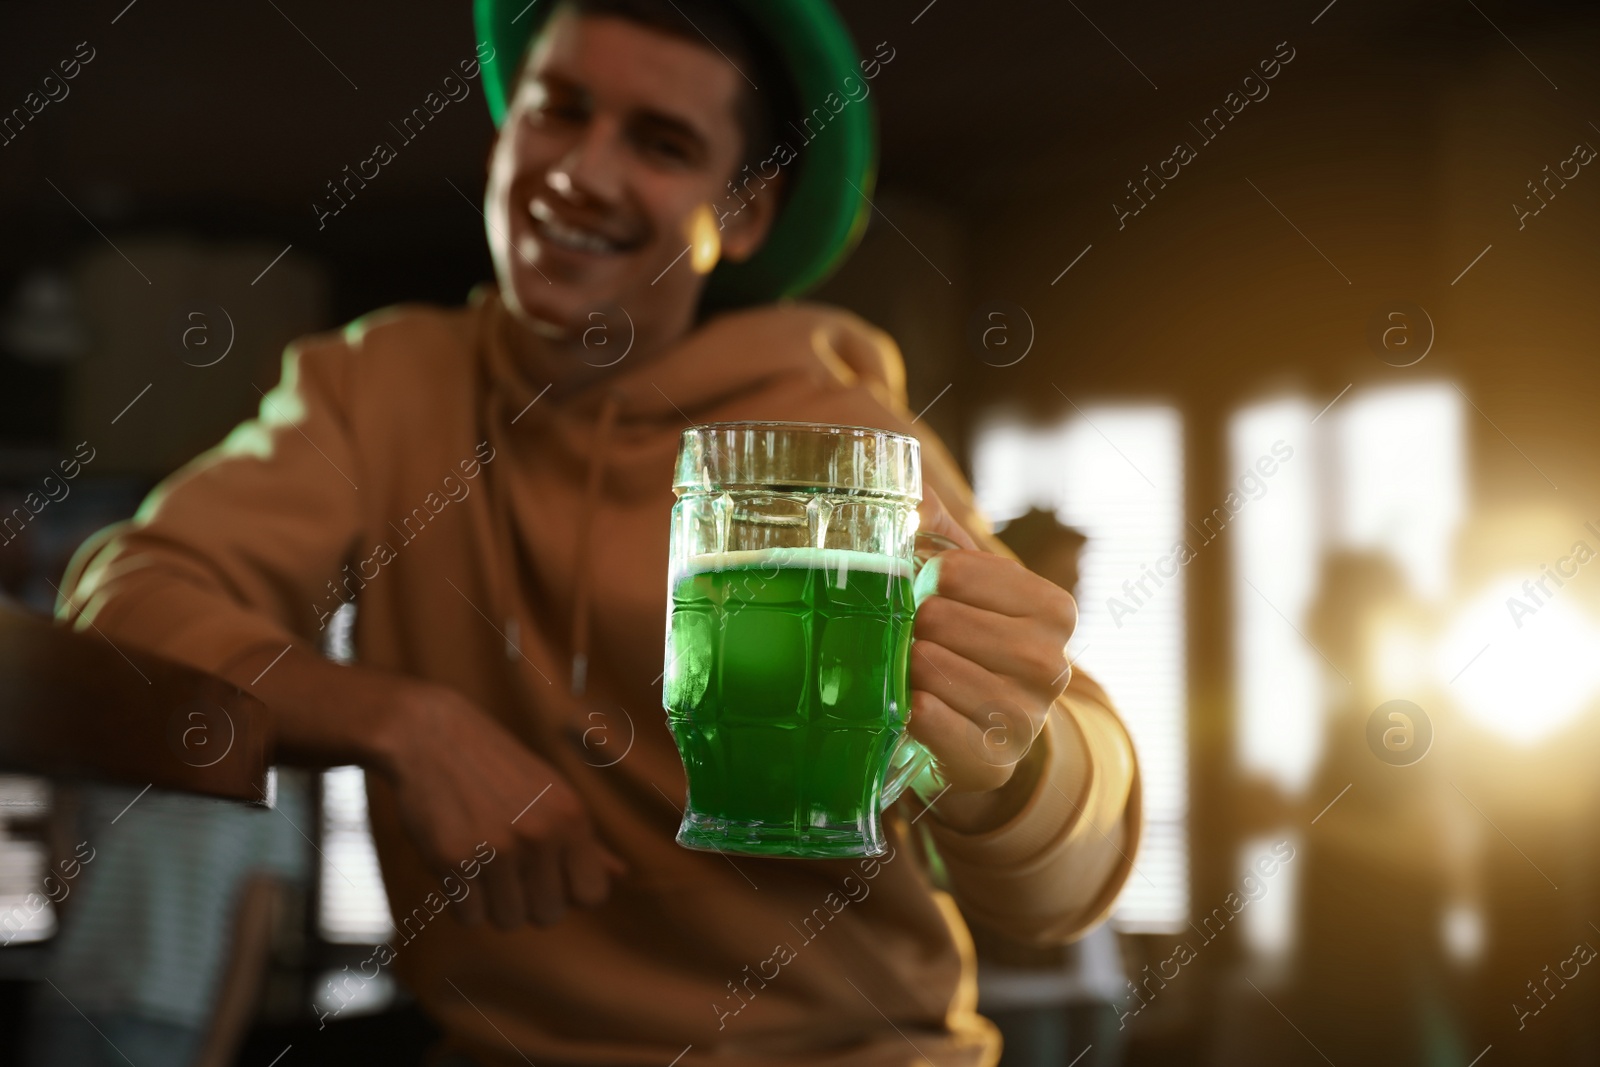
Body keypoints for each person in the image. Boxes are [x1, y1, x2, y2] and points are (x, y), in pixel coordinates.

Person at [58, 1, 1141, 1063]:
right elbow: (121, 610)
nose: (579, 169)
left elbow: (1069, 876)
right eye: (556, 111)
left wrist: (1017, 754)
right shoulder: (377, 389)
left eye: (660, 142)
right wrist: (399, 720)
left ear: (748, 213)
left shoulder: (837, 438)